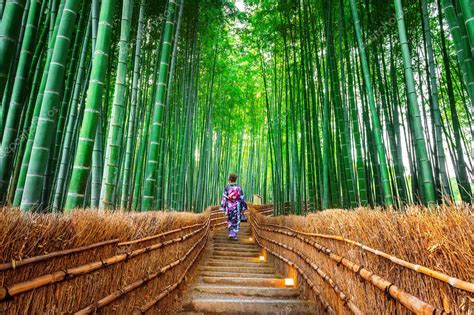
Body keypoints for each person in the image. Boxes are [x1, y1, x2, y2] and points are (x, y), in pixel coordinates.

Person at [219, 173, 247, 239]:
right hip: (237, 206)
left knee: (230, 219)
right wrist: (243, 207)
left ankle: (231, 233)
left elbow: (224, 197)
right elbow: (242, 198)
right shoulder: (239, 187)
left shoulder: (227, 187)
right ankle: (235, 235)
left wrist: (223, 206)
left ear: (229, 179)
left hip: (229, 206)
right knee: (236, 219)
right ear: (235, 179)